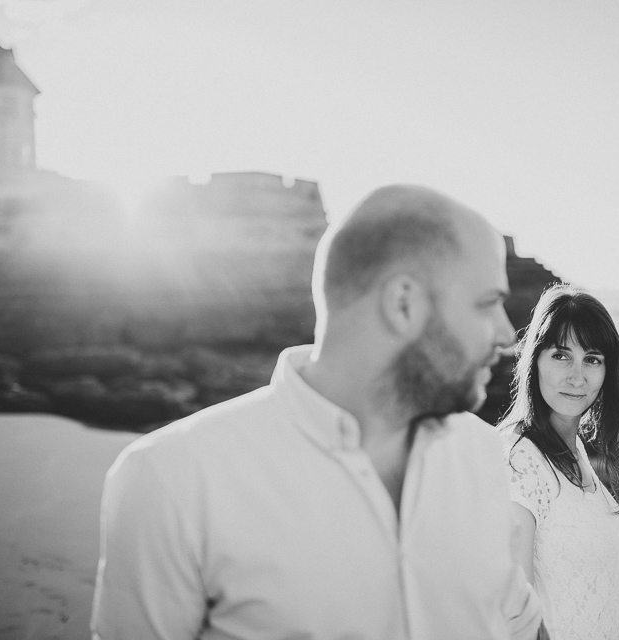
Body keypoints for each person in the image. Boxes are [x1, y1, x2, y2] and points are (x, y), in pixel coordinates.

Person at [92, 184, 543, 639]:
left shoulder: (484, 453)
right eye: (488, 304)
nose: (509, 335)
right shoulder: (171, 480)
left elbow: (518, 621)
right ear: (403, 303)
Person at [497, 284, 619, 640]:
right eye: (561, 355)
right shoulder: (519, 457)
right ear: (535, 360)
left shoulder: (574, 450)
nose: (577, 377)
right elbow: (513, 616)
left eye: (592, 359)